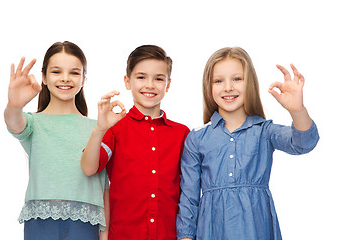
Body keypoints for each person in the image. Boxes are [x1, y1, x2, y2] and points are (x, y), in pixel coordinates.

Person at [176, 47, 319, 240]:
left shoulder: (264, 131)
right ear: (208, 87)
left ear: (250, 82)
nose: (228, 87)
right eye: (218, 81)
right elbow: (189, 199)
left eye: (237, 79)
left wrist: (297, 110)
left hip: (256, 228)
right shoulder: (197, 138)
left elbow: (303, 143)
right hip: (212, 230)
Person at [81, 45, 190, 240]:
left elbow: (189, 189)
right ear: (127, 81)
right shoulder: (115, 129)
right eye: (141, 77)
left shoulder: (182, 133)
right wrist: (99, 129)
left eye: (158, 78)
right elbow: (89, 168)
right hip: (124, 234)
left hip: (169, 235)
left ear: (168, 84)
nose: (150, 85)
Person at [4, 41, 107, 240]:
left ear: (84, 79)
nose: (65, 79)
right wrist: (13, 105)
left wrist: (105, 235)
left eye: (75, 73)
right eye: (56, 71)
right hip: (40, 223)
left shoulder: (98, 128)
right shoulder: (34, 123)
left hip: (86, 224)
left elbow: (104, 186)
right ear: (44, 77)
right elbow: (14, 122)